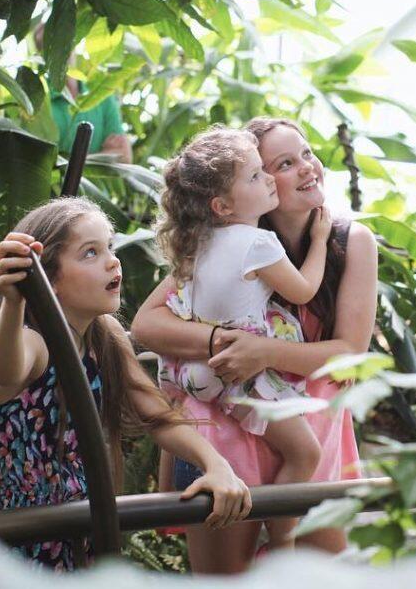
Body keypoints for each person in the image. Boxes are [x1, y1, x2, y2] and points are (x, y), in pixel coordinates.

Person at [131, 117, 379, 573]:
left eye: (306, 153)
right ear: (239, 192)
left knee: (320, 575)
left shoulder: (348, 240)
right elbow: (147, 323)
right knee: (225, 578)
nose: (307, 168)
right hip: (228, 436)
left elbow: (350, 353)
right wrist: (222, 342)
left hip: (308, 428)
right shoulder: (228, 241)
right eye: (283, 164)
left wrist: (263, 352)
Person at [0, 197, 251, 572]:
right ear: (49, 279)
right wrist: (14, 300)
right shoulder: (33, 341)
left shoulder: (104, 335)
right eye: (90, 253)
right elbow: (5, 370)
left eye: (109, 247)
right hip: (28, 544)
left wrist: (216, 464)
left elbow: (157, 415)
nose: (113, 261)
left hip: (85, 530)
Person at [154, 128, 333, 549]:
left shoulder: (197, 243)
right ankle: (283, 536)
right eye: (257, 176)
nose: (269, 179)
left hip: (200, 376)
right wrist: (321, 241)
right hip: (243, 376)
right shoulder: (257, 242)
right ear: (223, 205)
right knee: (305, 453)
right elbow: (304, 290)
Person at [32, 24, 132, 163]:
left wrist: (68, 162)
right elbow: (40, 163)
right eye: (51, 45)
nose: (61, 49)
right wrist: (102, 156)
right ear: (41, 54)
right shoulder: (39, 101)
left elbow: (123, 156)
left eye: (64, 40)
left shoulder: (100, 95)